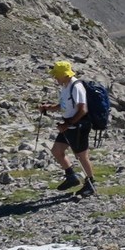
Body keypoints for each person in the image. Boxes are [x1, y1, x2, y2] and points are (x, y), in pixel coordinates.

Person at [39, 60, 96, 197]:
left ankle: (91, 184)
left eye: (57, 75)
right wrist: (49, 108)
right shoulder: (65, 86)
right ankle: (71, 177)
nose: (55, 77)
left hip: (78, 126)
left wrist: (67, 124)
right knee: (57, 151)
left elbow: (83, 110)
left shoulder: (76, 86)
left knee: (81, 156)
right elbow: (64, 105)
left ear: (65, 75)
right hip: (69, 126)